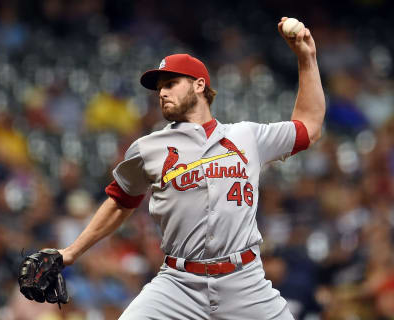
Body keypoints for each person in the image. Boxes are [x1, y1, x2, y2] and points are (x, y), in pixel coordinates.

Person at [31, 17, 325, 319]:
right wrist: (70, 252)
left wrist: (306, 58)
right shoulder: (148, 148)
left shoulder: (246, 136)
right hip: (178, 283)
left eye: (171, 83)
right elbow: (120, 202)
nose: (162, 93)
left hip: (245, 281)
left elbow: (309, 127)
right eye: (159, 88)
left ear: (199, 85)